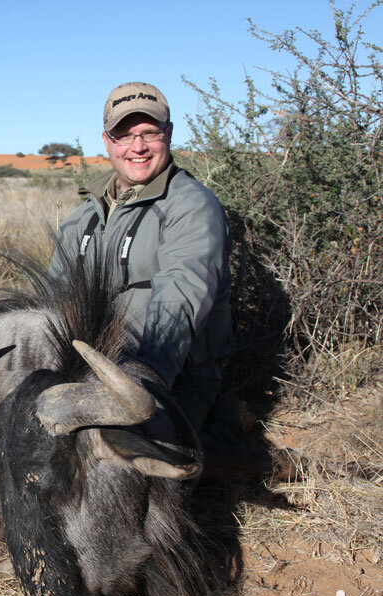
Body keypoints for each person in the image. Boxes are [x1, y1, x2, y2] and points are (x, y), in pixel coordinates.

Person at [51, 82, 276, 477]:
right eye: (125, 134)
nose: (137, 146)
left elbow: (179, 303)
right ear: (107, 141)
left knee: (118, 471)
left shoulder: (191, 206)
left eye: (149, 132)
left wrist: (140, 389)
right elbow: (52, 306)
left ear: (168, 134)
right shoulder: (80, 220)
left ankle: (227, 441)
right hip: (92, 373)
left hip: (170, 377)